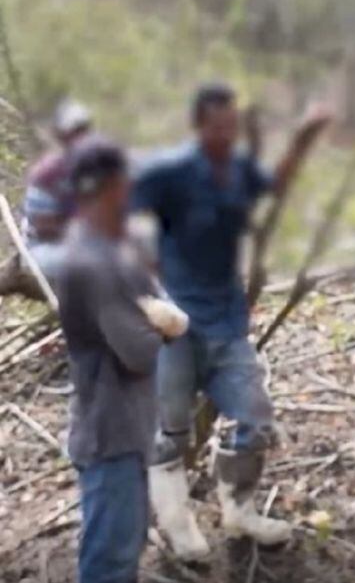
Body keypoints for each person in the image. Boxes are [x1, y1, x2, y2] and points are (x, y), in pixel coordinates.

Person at [131, 83, 332, 560]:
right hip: (175, 325)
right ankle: (178, 527)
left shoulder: (239, 169)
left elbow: (274, 188)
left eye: (232, 126)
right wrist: (143, 288)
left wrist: (303, 139)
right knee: (170, 431)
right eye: (217, 126)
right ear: (199, 125)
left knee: (256, 416)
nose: (226, 134)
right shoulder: (170, 173)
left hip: (226, 322)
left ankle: (239, 511)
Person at [55, 137, 188, 583]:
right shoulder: (93, 263)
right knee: (110, 562)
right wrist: (159, 324)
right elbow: (138, 351)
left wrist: (158, 318)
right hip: (109, 435)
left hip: (124, 429)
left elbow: (163, 310)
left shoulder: (111, 249)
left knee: (122, 551)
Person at [21, 100, 94, 278]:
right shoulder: (47, 174)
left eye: (82, 131)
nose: (79, 138)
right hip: (45, 249)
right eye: (73, 133)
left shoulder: (95, 168)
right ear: (61, 136)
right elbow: (45, 228)